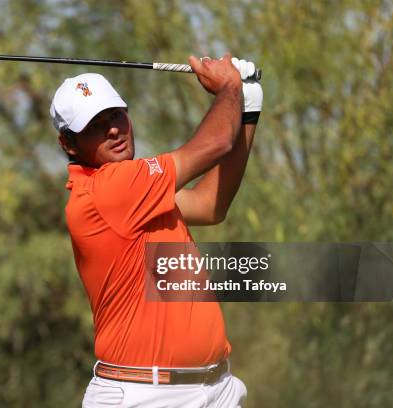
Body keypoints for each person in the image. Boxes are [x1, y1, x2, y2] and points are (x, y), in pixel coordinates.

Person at [49, 54, 263, 407]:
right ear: (69, 145)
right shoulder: (108, 190)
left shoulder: (138, 195)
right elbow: (215, 144)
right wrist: (229, 88)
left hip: (216, 388)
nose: (113, 129)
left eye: (116, 115)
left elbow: (210, 205)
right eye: (94, 126)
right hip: (146, 395)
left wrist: (247, 111)